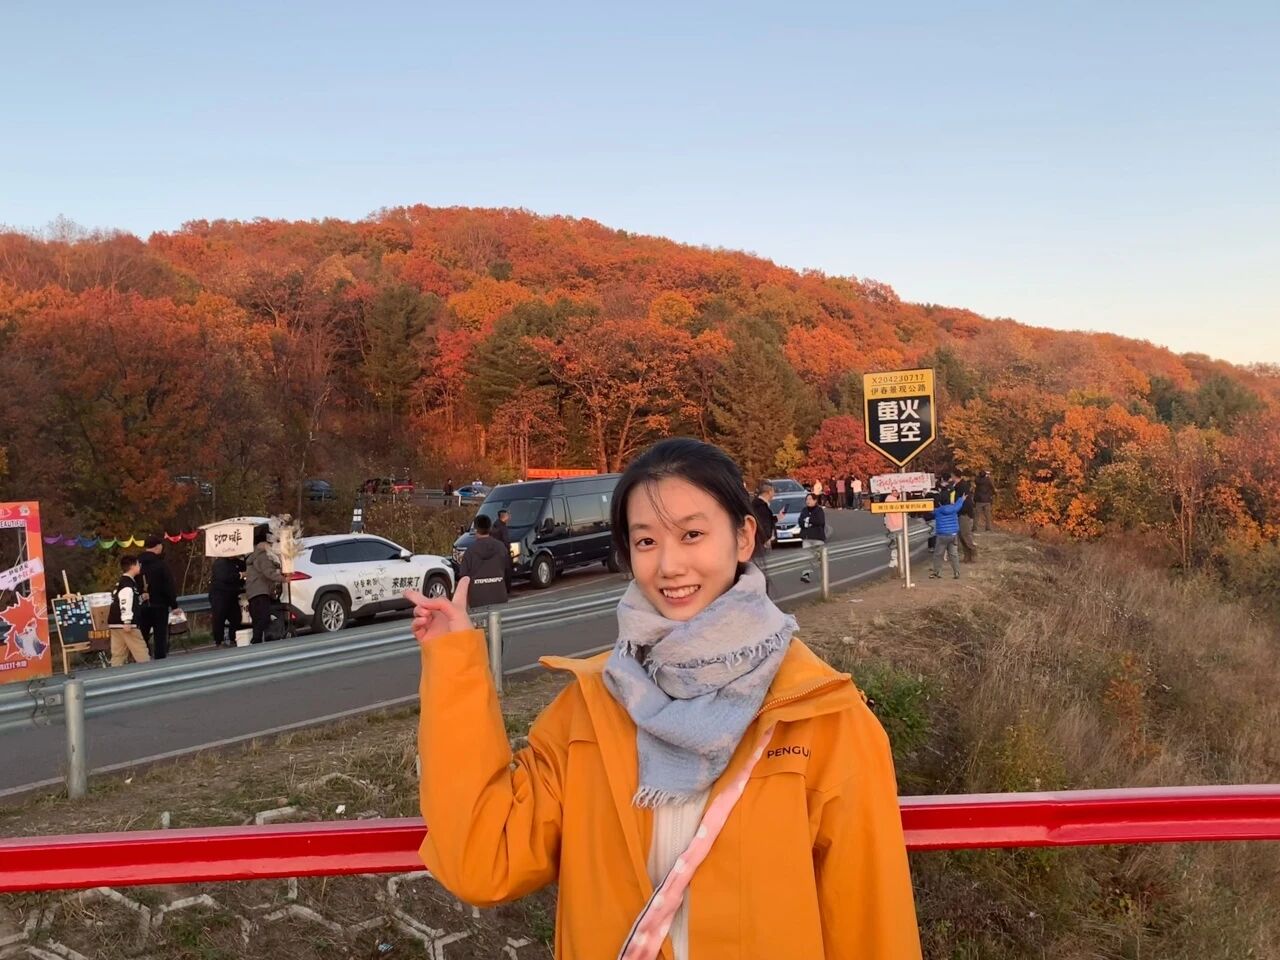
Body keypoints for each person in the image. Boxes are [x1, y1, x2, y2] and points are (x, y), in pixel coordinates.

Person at [406, 437, 921, 959]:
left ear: (744, 537)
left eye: (692, 534)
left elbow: (872, 926)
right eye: (647, 541)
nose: (669, 565)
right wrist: (453, 664)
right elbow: (485, 859)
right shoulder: (589, 710)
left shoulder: (822, 715)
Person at [137, 535, 178, 659]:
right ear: (157, 546)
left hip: (141, 605)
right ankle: (160, 660)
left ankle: (143, 658)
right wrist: (173, 604)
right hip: (160, 605)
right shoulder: (161, 565)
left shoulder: (137, 565)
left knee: (142, 635)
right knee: (160, 636)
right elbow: (168, 586)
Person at [107, 554, 150, 667]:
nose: (140, 566)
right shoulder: (127, 584)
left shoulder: (121, 582)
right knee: (141, 651)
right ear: (132, 566)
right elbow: (125, 601)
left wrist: (141, 598)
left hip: (115, 623)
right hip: (126, 624)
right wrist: (127, 621)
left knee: (118, 654)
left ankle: (115, 674)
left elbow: (128, 601)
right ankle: (148, 672)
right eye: (138, 564)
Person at [459, 514, 509, 610]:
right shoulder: (501, 547)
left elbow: (463, 578)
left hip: (477, 600)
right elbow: (508, 570)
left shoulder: (470, 551)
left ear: (476, 529)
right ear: (490, 528)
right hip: (500, 596)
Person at [245, 529, 283, 644]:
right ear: (263, 543)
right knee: (264, 618)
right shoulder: (262, 556)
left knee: (257, 619)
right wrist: (283, 578)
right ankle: (256, 640)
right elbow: (268, 572)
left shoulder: (252, 556)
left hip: (252, 592)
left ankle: (256, 641)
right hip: (261, 592)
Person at [208, 554, 245, 646]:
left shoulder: (237, 562)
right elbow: (225, 577)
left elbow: (244, 568)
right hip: (219, 595)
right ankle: (219, 641)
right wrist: (240, 575)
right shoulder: (219, 563)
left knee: (236, 617)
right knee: (219, 618)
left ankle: (233, 638)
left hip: (232, 594)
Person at [930, 489, 967, 580]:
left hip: (942, 535)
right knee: (954, 554)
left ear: (940, 502)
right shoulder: (954, 508)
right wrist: (961, 499)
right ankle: (957, 572)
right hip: (953, 535)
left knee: (938, 554)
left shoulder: (938, 511)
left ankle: (936, 572)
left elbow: (930, 512)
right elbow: (959, 504)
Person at [749, 481, 777, 594]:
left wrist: (776, 519)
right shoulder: (761, 507)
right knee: (760, 573)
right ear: (768, 492)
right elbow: (763, 524)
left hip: (757, 542)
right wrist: (767, 538)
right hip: (759, 544)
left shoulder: (756, 505)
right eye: (773, 491)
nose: (774, 494)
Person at [798, 491, 827, 584]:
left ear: (815, 500)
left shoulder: (819, 510)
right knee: (807, 558)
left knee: (819, 559)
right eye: (807, 499)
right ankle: (806, 576)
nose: (808, 501)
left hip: (817, 538)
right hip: (807, 538)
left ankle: (822, 576)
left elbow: (820, 521)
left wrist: (808, 520)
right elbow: (800, 521)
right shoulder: (804, 510)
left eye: (810, 499)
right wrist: (807, 522)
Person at [953, 475, 978, 563]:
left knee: (965, 535)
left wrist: (962, 511)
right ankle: (967, 556)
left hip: (964, 514)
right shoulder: (958, 487)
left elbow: (967, 503)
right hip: (960, 514)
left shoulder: (962, 488)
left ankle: (973, 554)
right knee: (961, 536)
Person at [882, 492, 904, 570]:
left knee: (895, 542)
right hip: (895, 525)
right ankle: (894, 560)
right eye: (895, 490)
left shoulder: (892, 499)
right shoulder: (890, 499)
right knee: (896, 543)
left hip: (893, 525)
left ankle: (894, 559)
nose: (897, 492)